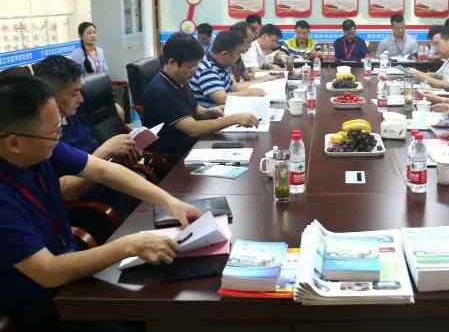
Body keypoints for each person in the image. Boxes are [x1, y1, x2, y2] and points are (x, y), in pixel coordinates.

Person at [0, 75, 201, 331]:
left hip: (72, 268)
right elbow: (47, 271)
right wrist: (128, 245)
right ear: (14, 142)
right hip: (40, 303)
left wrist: (170, 202)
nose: (59, 138)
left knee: (158, 301)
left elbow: (104, 171)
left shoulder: (41, 148)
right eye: (54, 132)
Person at [33, 56, 143, 210]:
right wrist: (105, 151)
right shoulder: (42, 137)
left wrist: (120, 155)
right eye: (74, 93)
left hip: (112, 187)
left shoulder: (75, 115)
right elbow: (67, 191)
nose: (81, 99)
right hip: (94, 209)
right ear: (50, 96)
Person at [142, 33, 258, 157]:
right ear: (172, 62)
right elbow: (193, 129)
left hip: (193, 144)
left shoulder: (180, 79)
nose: (195, 70)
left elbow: (195, 109)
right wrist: (234, 119)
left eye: (197, 65)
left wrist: (211, 111)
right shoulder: (162, 90)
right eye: (190, 66)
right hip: (175, 154)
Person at [190, 30, 265, 107]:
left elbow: (234, 87)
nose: (239, 57)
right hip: (213, 113)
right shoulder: (207, 70)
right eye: (238, 53)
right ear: (224, 54)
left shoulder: (219, 65)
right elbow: (222, 99)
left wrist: (261, 84)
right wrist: (249, 93)